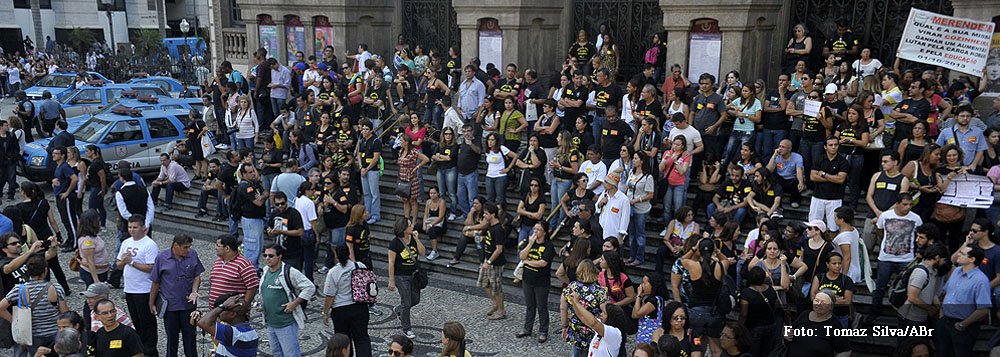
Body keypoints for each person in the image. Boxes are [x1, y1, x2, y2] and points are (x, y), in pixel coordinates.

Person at [148, 234, 204, 357]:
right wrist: (151, 303)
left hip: (188, 305)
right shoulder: (161, 258)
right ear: (175, 246)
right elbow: (155, 282)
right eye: (185, 247)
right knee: (172, 339)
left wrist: (194, 291)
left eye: (189, 247)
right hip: (170, 307)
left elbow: (197, 276)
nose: (188, 250)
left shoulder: (192, 254)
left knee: (190, 339)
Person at [258, 245, 315, 357]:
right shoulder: (265, 271)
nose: (267, 258)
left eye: (271, 256)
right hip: (271, 322)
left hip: (286, 323)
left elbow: (309, 287)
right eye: (265, 255)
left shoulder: (290, 272)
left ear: (279, 256)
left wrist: (295, 303)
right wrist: (262, 305)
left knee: (291, 354)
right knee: (276, 353)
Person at [115, 214, 159, 357]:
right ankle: (140, 349)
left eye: (135, 227)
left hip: (144, 289)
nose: (131, 230)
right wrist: (124, 261)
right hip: (129, 288)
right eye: (130, 227)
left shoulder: (149, 244)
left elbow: (151, 268)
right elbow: (118, 264)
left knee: (147, 323)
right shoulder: (126, 242)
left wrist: (132, 262)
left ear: (143, 228)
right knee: (136, 321)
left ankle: (150, 351)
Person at [936, 245, 992, 357]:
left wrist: (963, 324)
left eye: (962, 254)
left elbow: (984, 309)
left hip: (964, 327)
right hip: (945, 322)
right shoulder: (956, 271)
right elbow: (946, 292)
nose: (958, 255)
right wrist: (942, 315)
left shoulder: (981, 280)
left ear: (972, 259)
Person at [683, 238, 729, 357]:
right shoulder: (720, 266)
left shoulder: (693, 266)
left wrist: (694, 249)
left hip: (696, 313)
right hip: (714, 313)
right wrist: (717, 251)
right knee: (715, 348)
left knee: (697, 345)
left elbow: (683, 260)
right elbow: (726, 260)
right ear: (713, 250)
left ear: (700, 250)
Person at [323, 244, 372, 357]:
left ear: (336, 256)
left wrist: (325, 313)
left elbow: (330, 296)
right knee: (362, 338)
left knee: (344, 342)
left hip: (341, 311)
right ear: (349, 253)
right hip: (360, 307)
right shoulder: (360, 266)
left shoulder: (333, 272)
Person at [387, 218, 426, 338]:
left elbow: (423, 252)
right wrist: (391, 280)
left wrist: (417, 239)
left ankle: (399, 310)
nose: (412, 226)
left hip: (414, 275)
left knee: (415, 300)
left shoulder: (413, 239)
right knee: (407, 302)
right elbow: (391, 262)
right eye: (409, 225)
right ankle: (407, 328)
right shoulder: (395, 243)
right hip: (401, 276)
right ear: (403, 229)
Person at [863, 150, 909, 251]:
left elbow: (901, 201)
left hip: (891, 217)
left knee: (886, 247)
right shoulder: (877, 176)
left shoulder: (903, 180)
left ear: (895, 162)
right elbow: (869, 196)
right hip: (873, 214)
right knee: (866, 245)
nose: (882, 164)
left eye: (886, 161)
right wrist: (877, 212)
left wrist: (883, 215)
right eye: (882, 161)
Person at [561, 260, 607, 357]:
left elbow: (563, 308)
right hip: (593, 330)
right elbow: (606, 312)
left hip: (575, 330)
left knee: (575, 352)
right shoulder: (600, 291)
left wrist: (564, 326)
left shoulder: (571, 287)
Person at [785, 290, 852, 357]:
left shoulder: (834, 324)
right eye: (816, 301)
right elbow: (790, 330)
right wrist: (786, 333)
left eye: (823, 302)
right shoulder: (805, 314)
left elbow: (846, 351)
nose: (818, 304)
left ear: (830, 306)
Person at [896, 244, 948, 329]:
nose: (944, 263)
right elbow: (912, 297)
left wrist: (939, 307)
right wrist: (929, 308)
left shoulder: (933, 271)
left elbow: (933, 293)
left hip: (921, 317)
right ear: (937, 258)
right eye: (944, 260)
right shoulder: (921, 272)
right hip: (911, 318)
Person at [193, 293, 260, 357]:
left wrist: (223, 306)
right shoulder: (251, 332)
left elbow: (203, 322)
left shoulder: (233, 333)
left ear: (232, 314)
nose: (219, 313)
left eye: (225, 309)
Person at [568, 287, 629, 357]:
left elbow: (593, 323)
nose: (601, 314)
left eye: (604, 313)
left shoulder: (615, 333)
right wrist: (574, 303)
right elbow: (582, 318)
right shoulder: (603, 325)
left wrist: (577, 303)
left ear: (611, 317)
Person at [208, 234, 259, 310]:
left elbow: (252, 287)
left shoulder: (244, 264)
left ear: (227, 248)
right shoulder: (217, 262)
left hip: (232, 312)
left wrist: (244, 305)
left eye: (218, 245)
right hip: (215, 312)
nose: (215, 248)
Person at [809, 136, 849, 231]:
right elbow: (813, 177)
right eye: (830, 145)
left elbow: (840, 179)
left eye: (836, 145)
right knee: (813, 226)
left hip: (835, 199)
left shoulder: (843, 161)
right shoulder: (819, 158)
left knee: (833, 228)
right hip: (817, 197)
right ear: (825, 147)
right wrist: (833, 178)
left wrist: (824, 174)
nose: (833, 147)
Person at [738, 266, 779, 356]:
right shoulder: (771, 290)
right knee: (767, 352)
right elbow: (775, 306)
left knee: (754, 353)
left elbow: (744, 314)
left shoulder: (746, 293)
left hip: (754, 327)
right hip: (770, 325)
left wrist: (740, 326)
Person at [236, 164, 267, 269]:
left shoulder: (254, 184)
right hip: (250, 220)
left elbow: (266, 193)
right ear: (244, 174)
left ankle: (255, 268)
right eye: (250, 172)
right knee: (252, 247)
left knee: (258, 246)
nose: (253, 174)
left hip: (257, 219)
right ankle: (249, 269)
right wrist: (263, 197)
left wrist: (262, 196)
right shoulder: (245, 187)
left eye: (253, 171)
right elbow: (259, 203)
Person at [266, 191, 305, 271]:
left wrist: (282, 232)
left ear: (286, 201)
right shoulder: (274, 213)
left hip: (292, 253)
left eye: (282, 203)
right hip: (278, 253)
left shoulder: (294, 213)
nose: (280, 206)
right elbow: (270, 228)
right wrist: (270, 232)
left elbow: (300, 232)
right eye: (277, 204)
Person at [51, 146, 80, 252]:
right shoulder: (58, 166)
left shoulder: (64, 167)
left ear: (62, 155)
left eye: (56, 153)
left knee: (70, 220)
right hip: (59, 196)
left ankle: (75, 243)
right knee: (65, 220)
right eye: (53, 153)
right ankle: (70, 239)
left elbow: (74, 178)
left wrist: (67, 192)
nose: (53, 155)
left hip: (66, 198)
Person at [766, 139, 806, 208]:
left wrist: (800, 182)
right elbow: (768, 170)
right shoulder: (777, 156)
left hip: (791, 179)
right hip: (780, 179)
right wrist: (774, 156)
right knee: (772, 177)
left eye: (783, 147)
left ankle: (794, 200)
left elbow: (799, 171)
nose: (780, 149)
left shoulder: (797, 157)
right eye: (779, 146)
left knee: (797, 180)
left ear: (789, 149)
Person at [357, 119, 382, 224]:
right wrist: (361, 167)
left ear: (371, 130)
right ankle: (367, 214)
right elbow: (359, 154)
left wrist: (367, 169)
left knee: (374, 193)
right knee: (366, 193)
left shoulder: (376, 141)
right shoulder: (362, 140)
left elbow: (376, 158)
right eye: (363, 129)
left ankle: (375, 215)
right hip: (363, 169)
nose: (364, 131)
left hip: (372, 170)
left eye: (367, 129)